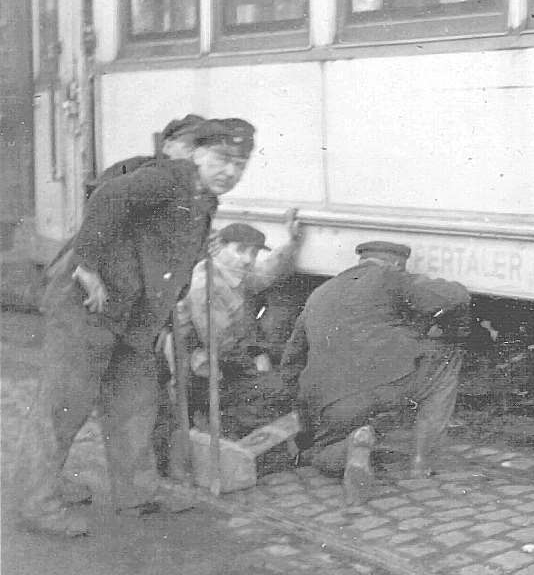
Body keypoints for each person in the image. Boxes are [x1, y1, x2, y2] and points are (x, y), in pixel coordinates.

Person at [19, 118, 256, 537]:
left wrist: (172, 300)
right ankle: (36, 502)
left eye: (239, 165)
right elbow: (109, 197)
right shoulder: (167, 178)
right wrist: (87, 267)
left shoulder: (202, 198)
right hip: (89, 307)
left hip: (133, 318)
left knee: (134, 404)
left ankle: (137, 493)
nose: (229, 172)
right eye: (222, 159)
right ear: (198, 154)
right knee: (64, 405)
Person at [280, 241, 470, 505]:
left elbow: (291, 360)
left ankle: (353, 445)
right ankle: (420, 462)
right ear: (397, 264)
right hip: (390, 385)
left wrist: (303, 408)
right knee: (447, 360)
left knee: (318, 452)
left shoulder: (319, 293)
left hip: (334, 404)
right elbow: (454, 296)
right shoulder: (390, 276)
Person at [174, 216, 303, 436]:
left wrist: (292, 242)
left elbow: (267, 272)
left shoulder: (233, 272)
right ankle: (228, 432)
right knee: (277, 389)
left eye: (253, 253)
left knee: (279, 382)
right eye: (241, 250)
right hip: (204, 376)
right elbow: (223, 346)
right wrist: (257, 363)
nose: (247, 259)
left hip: (225, 365)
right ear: (220, 248)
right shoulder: (205, 285)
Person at [88, 113, 205, 194]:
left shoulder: (198, 185)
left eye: (201, 149)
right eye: (189, 146)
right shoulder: (132, 168)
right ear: (168, 145)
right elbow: (96, 192)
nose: (194, 155)